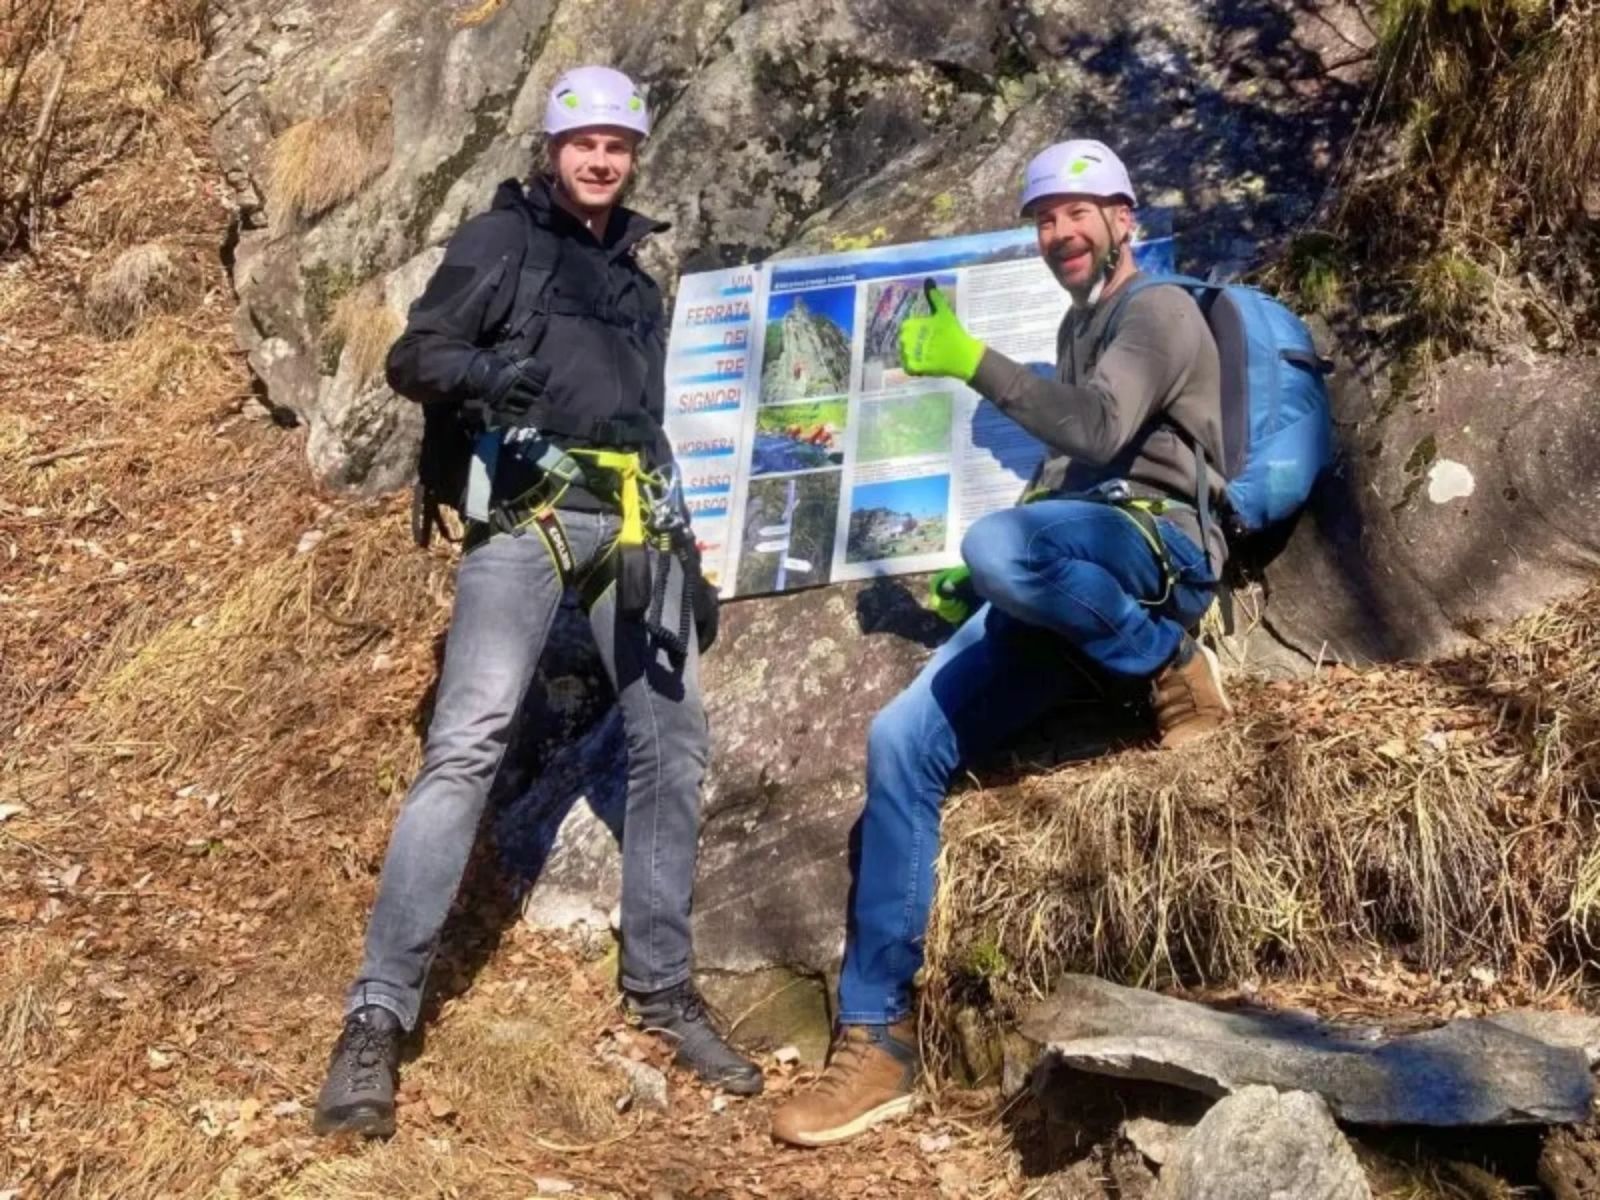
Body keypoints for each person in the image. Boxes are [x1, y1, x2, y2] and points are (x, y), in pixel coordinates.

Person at [312, 65, 761, 1141]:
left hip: (636, 523)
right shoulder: (501, 242)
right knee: (465, 744)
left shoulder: (638, 285)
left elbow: (653, 429)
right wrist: (486, 380)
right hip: (523, 516)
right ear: (552, 148)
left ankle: (659, 983)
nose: (602, 159)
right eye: (584, 142)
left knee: (675, 741)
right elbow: (416, 356)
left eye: (619, 145)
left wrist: (690, 556)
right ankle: (376, 1015)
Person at [771, 138, 1230, 1147]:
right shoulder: (1081, 327)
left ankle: (1168, 667)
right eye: (1043, 218)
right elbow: (1067, 468)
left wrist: (974, 364)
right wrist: (990, 570)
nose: (1059, 232)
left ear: (1124, 217)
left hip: (1156, 547)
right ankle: (876, 1038)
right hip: (1078, 567)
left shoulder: (1157, 310)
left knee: (998, 547)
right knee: (901, 740)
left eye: (1076, 211)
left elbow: (1106, 436)